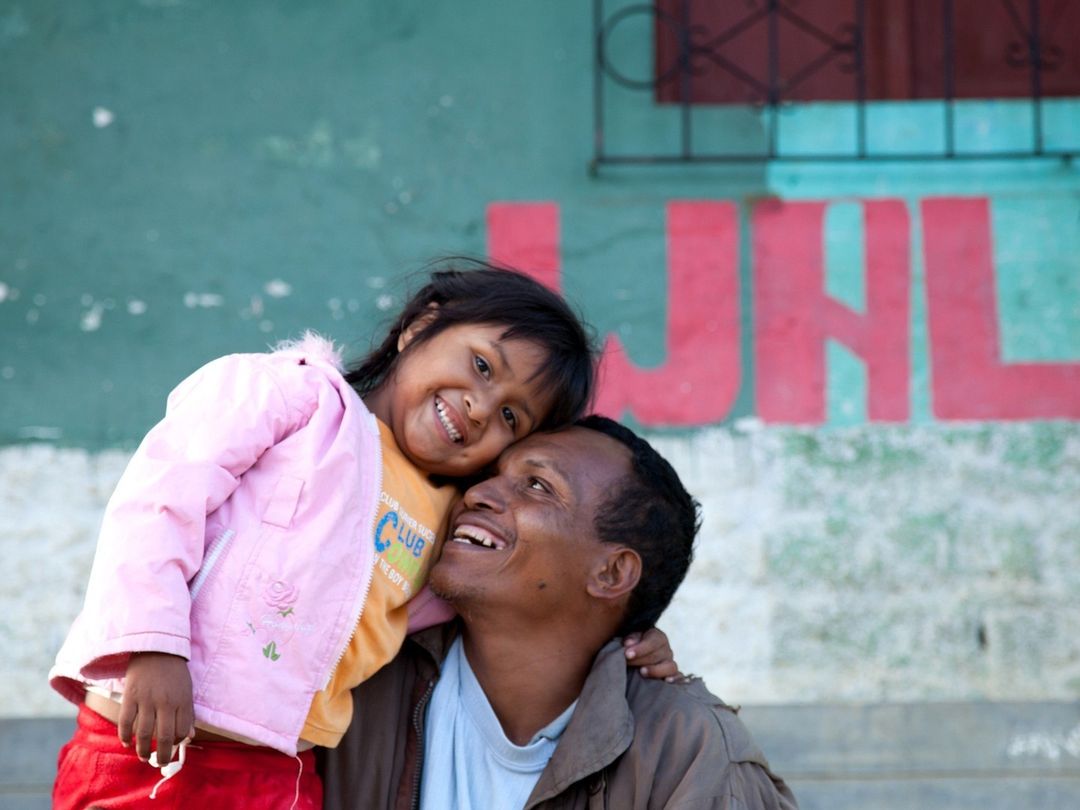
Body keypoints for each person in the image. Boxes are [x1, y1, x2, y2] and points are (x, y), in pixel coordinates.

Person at [49, 263, 674, 810]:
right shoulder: (297, 398)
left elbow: (497, 613)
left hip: (281, 772)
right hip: (146, 745)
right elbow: (159, 503)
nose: (482, 408)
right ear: (420, 325)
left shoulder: (445, 522)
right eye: (483, 366)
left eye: (511, 415)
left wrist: (619, 640)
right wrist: (156, 647)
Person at [319, 416, 799, 810]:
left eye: (537, 485)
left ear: (611, 573)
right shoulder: (355, 667)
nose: (478, 494)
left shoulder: (689, 754)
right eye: (491, 475)